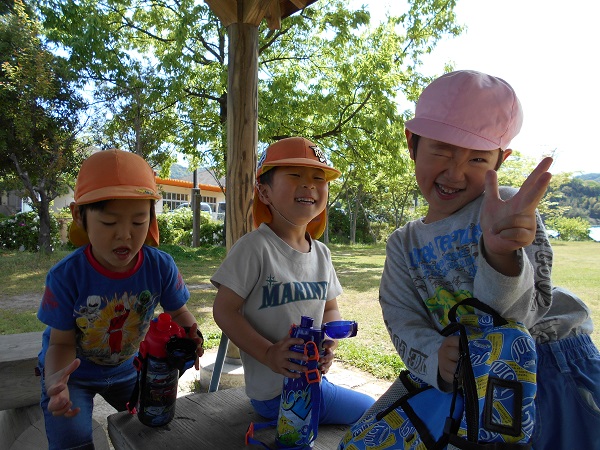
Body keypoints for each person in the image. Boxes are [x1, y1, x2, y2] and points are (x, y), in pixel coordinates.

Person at [379, 70, 600, 449]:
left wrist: (500, 253)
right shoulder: (403, 243)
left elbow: (519, 317)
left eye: (478, 158)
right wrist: (434, 355)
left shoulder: (509, 211)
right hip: (465, 377)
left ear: (501, 160)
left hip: (551, 365)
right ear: (412, 142)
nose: (455, 173)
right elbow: (403, 317)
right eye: (442, 150)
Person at [37, 148, 204, 450]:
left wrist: (193, 336)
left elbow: (179, 313)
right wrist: (56, 383)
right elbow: (60, 344)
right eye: (109, 223)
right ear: (79, 216)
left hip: (130, 368)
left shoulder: (160, 266)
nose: (125, 235)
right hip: (73, 373)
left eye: (138, 222)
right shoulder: (66, 276)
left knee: (156, 422)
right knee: (72, 438)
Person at [212, 137, 375, 424]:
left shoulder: (321, 254)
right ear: (265, 192)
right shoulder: (254, 248)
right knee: (372, 411)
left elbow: (330, 309)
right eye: (295, 175)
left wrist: (329, 343)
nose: (309, 185)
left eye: (318, 178)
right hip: (277, 394)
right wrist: (268, 353)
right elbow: (224, 310)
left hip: (311, 380)